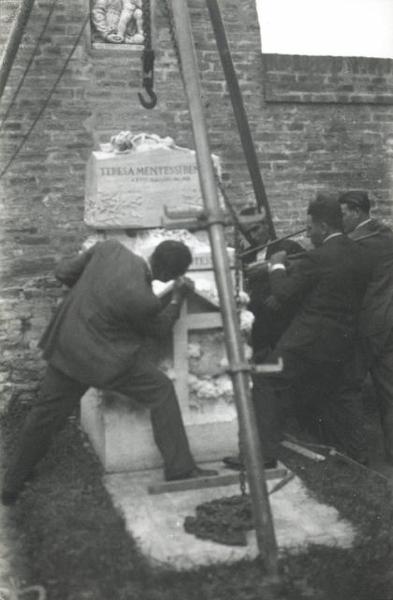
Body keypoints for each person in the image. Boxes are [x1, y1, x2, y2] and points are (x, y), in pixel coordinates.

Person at [2, 239, 217, 505]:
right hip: (103, 360)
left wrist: (91, 293)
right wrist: (177, 297)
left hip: (68, 344)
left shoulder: (110, 249)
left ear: (154, 253)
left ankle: (12, 483)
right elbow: (159, 329)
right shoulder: (143, 300)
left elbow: (63, 272)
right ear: (165, 275)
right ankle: (180, 469)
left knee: (44, 415)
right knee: (161, 390)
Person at [252, 195, 371, 465]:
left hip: (308, 338)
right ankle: (357, 457)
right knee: (338, 393)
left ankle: (263, 456)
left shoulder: (317, 257)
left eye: (310, 229)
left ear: (324, 228)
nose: (308, 234)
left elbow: (282, 292)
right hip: (343, 338)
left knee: (265, 380)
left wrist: (277, 264)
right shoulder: (359, 252)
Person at [339, 190, 393, 465]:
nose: (341, 219)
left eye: (344, 213)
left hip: (367, 326)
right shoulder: (386, 235)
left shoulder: (357, 243)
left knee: (347, 386)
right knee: (389, 391)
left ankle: (357, 456)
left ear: (357, 211)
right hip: (389, 322)